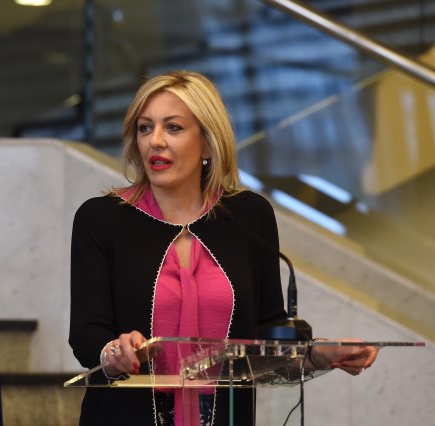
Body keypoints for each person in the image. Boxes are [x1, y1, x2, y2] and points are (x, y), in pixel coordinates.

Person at [68, 70, 378, 426]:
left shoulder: (248, 216)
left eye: (173, 127)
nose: (155, 141)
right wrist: (113, 352)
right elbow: (87, 334)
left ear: (207, 142)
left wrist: (318, 353)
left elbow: (267, 332)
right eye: (145, 128)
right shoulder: (102, 219)